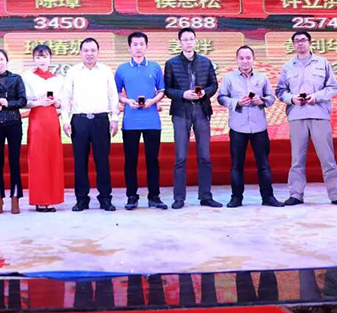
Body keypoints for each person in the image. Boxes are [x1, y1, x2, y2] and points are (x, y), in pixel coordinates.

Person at [276, 31, 337, 206]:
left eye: (303, 40)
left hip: (319, 114)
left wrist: (316, 96)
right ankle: (296, 194)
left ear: (310, 43)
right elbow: (280, 91)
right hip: (297, 115)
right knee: (297, 159)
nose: (300, 43)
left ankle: (336, 195)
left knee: (327, 158)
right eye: (297, 41)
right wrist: (292, 98)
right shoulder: (288, 66)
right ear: (293, 45)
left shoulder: (322, 63)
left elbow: (333, 87)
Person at [217, 45, 283, 208]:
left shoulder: (262, 77)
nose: (245, 61)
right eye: (242, 58)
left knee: (264, 165)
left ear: (253, 59)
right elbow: (221, 97)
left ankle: (268, 197)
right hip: (237, 128)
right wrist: (236, 102)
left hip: (259, 128)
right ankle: (236, 198)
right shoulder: (229, 78)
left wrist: (262, 101)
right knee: (236, 166)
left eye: (248, 58)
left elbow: (271, 97)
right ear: (236, 60)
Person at [164, 28, 222, 209]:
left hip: (202, 111)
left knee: (205, 156)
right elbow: (167, 89)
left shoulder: (205, 62)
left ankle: (205, 196)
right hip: (181, 112)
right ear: (180, 42)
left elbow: (214, 84)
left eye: (191, 39)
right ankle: (179, 198)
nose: (189, 42)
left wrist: (205, 93)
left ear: (196, 41)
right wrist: (183, 94)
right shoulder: (171, 63)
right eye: (185, 40)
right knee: (180, 157)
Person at [59, 38, 120, 212]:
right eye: (86, 50)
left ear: (98, 52)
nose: (89, 54)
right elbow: (66, 97)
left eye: (93, 50)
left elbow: (113, 96)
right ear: (80, 52)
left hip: (101, 120)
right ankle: (81, 199)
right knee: (80, 162)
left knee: (103, 162)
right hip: (79, 121)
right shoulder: (73, 71)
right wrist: (65, 120)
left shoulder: (105, 71)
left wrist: (114, 118)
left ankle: (105, 199)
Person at [114, 32, 168, 210]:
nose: (138, 47)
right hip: (130, 121)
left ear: (146, 46)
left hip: (152, 120)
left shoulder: (155, 67)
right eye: (135, 44)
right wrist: (127, 101)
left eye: (141, 44)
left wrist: (153, 101)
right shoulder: (122, 69)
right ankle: (132, 196)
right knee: (130, 161)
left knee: (153, 160)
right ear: (129, 47)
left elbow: (162, 90)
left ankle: (154, 196)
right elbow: (115, 93)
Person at [22, 44, 64, 212]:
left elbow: (62, 103)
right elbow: (24, 102)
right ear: (34, 59)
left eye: (45, 56)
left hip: (52, 120)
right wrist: (38, 101)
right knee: (38, 159)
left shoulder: (58, 79)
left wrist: (55, 101)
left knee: (53, 158)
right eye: (38, 57)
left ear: (50, 58)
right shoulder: (28, 77)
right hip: (37, 120)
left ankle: (52, 199)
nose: (42, 60)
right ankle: (39, 200)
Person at [0, 49, 28, 214]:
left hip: (14, 123)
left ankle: (15, 198)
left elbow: (23, 100)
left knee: (14, 161)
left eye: (1, 59)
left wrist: (8, 103)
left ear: (7, 61)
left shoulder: (16, 78)